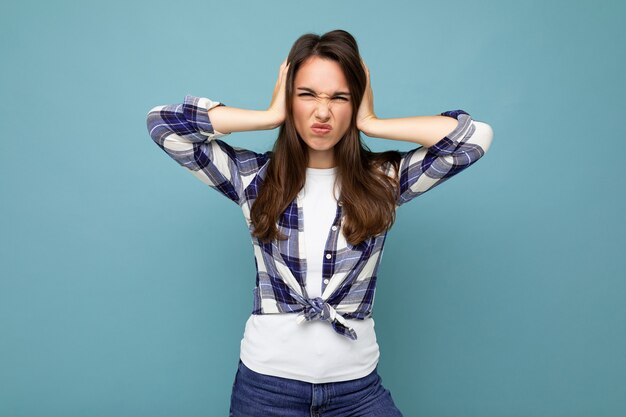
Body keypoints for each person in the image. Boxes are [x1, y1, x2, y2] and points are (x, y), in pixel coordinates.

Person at [146, 29, 493, 417]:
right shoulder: (253, 178)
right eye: (307, 94)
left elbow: (474, 138)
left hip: (357, 392)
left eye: (340, 98)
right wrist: (267, 117)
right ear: (289, 97)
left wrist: (373, 123)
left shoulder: (384, 179)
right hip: (266, 391)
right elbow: (165, 127)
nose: (322, 112)